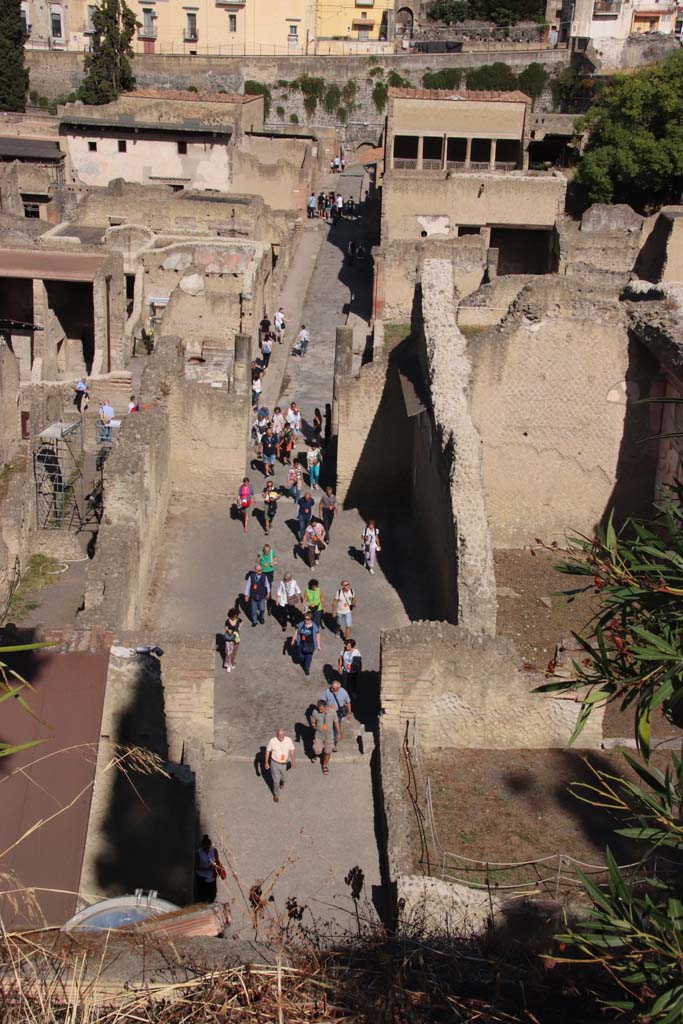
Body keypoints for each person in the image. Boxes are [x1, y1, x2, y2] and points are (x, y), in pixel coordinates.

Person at [265, 728, 297, 802]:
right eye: (279, 735)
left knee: (284, 777)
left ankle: (282, 781)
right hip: (274, 763)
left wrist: (293, 761)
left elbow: (292, 751)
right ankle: (276, 794)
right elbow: (267, 751)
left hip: (284, 763)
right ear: (277, 735)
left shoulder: (288, 740)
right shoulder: (272, 741)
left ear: (284, 734)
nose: (281, 736)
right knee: (276, 780)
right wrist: (266, 762)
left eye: (282, 735)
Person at [321, 679, 352, 747]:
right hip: (329, 711)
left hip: (338, 713)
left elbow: (348, 702)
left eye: (334, 688)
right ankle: (325, 740)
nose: (332, 689)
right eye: (332, 687)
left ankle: (334, 743)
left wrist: (349, 713)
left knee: (336, 727)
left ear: (338, 687)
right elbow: (323, 701)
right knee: (327, 726)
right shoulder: (327, 691)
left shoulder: (343, 692)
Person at [195, 835, 224, 903]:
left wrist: (215, 866)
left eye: (208, 847)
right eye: (204, 847)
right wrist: (207, 868)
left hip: (211, 877)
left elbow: (217, 861)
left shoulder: (214, 850)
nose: (206, 849)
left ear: (210, 845)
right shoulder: (199, 853)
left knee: (213, 895)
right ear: (202, 846)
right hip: (202, 877)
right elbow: (197, 867)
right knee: (202, 896)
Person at [311, 698, 335, 774]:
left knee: (328, 752)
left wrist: (339, 733)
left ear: (325, 707)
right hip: (319, 736)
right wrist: (313, 724)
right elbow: (313, 721)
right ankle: (317, 755)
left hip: (329, 737)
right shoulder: (315, 712)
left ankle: (324, 766)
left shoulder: (331, 712)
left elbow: (336, 722)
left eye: (321, 709)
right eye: (319, 709)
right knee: (317, 750)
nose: (320, 711)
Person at [292, 612, 320, 676]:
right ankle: (303, 662)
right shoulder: (301, 624)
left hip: (311, 645)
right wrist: (293, 639)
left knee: (309, 657)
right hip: (301, 643)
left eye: (308, 619)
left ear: (311, 619)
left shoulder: (314, 626)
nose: (306, 620)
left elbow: (318, 635)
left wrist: (318, 645)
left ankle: (307, 669)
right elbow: (297, 631)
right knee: (301, 656)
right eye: (305, 619)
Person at [223, 607, 241, 672]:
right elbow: (225, 626)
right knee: (228, 652)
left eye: (236, 616)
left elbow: (242, 622)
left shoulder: (238, 620)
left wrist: (239, 628)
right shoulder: (228, 621)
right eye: (234, 616)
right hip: (229, 639)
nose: (235, 617)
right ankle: (228, 666)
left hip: (236, 638)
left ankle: (232, 663)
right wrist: (228, 630)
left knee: (234, 652)